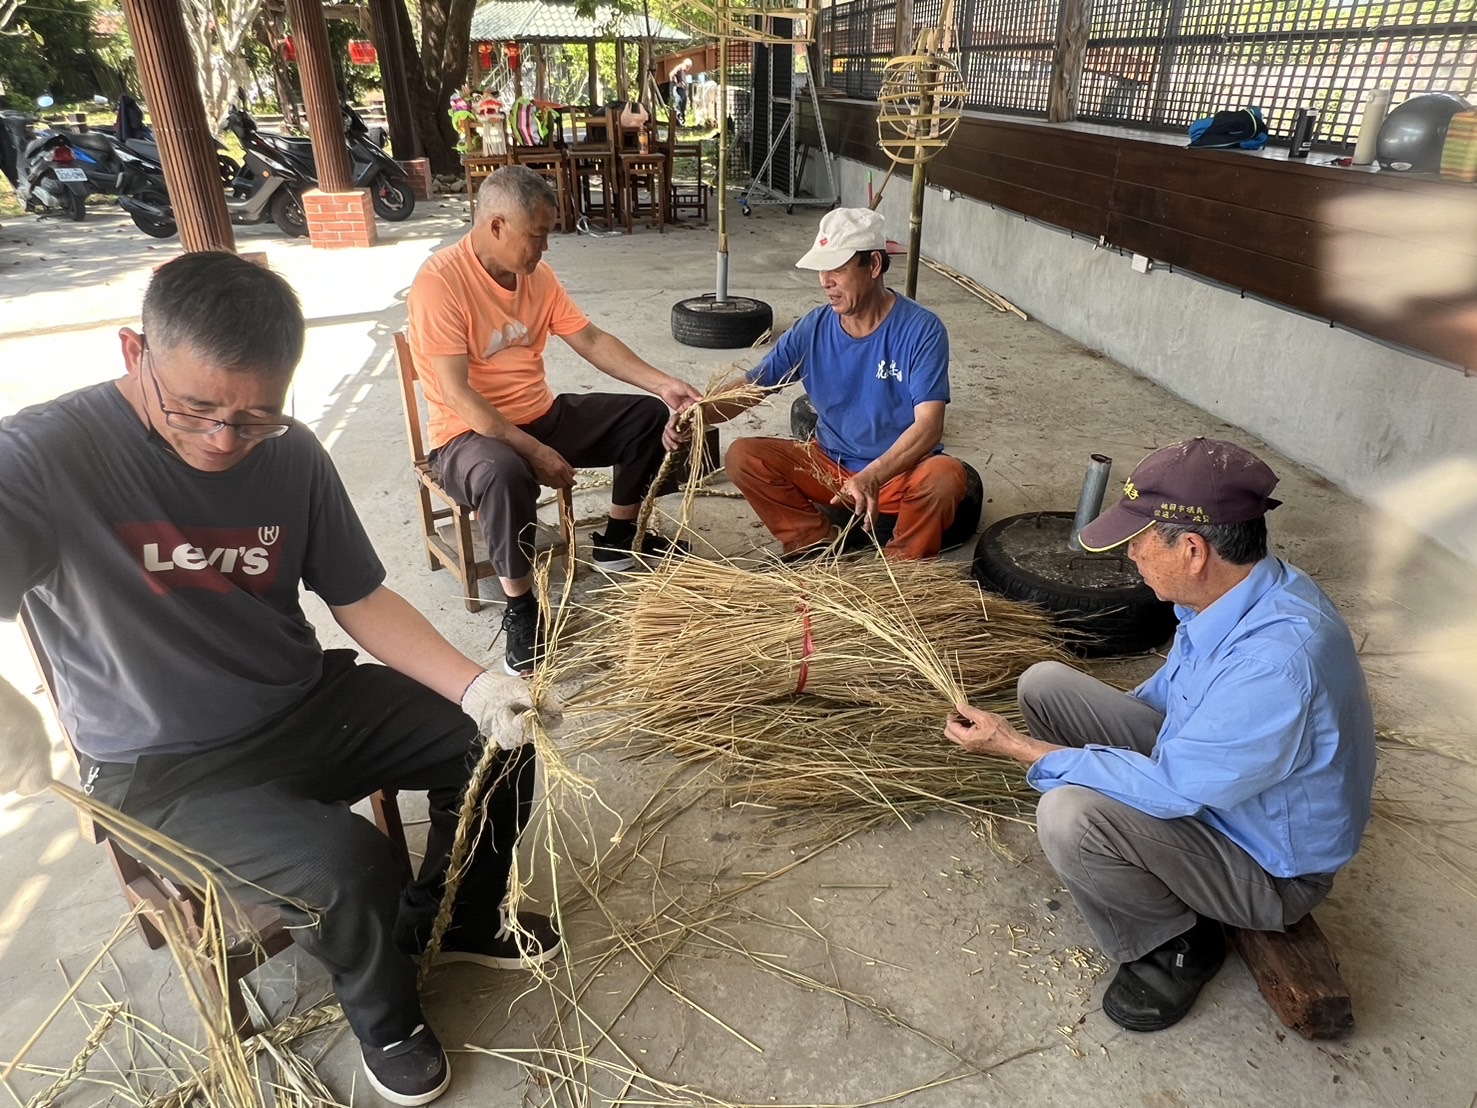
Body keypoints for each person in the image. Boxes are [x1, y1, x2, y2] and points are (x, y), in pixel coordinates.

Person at [0, 252, 560, 1106]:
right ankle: (386, 1018)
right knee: (346, 864)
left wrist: (477, 684)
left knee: (500, 745)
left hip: (304, 704)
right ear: (132, 353)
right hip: (162, 767)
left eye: (255, 416)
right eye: (194, 409)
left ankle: (460, 914)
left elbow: (359, 594)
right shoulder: (44, 455)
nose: (223, 439)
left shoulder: (292, 455)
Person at [944, 438, 1376, 1032]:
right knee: (1044, 685)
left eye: (1140, 543)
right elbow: (1165, 697)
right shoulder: (1239, 593)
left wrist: (1020, 749)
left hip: (1265, 864)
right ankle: (1125, 856)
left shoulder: (1274, 665)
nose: (1131, 559)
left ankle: (1177, 945)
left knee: (1069, 815)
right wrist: (1095, 746)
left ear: (1194, 549)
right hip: (1215, 789)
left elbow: (1176, 789)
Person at [408, 165, 701, 675]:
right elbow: (456, 393)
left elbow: (589, 340)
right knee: (504, 472)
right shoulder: (440, 282)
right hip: (466, 435)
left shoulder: (536, 277)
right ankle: (522, 608)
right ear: (497, 226)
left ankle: (617, 538)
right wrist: (532, 450)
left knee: (646, 417)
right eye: (537, 235)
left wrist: (661, 383)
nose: (543, 249)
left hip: (539, 413)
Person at [722, 208, 969, 560]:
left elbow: (929, 426)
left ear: (874, 267)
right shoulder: (813, 328)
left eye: (837, 269)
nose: (826, 281)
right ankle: (812, 541)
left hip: (897, 472)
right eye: (822, 270)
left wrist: (873, 474)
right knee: (743, 456)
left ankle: (904, 567)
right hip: (829, 467)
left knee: (945, 476)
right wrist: (699, 411)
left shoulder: (921, 329)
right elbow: (754, 385)